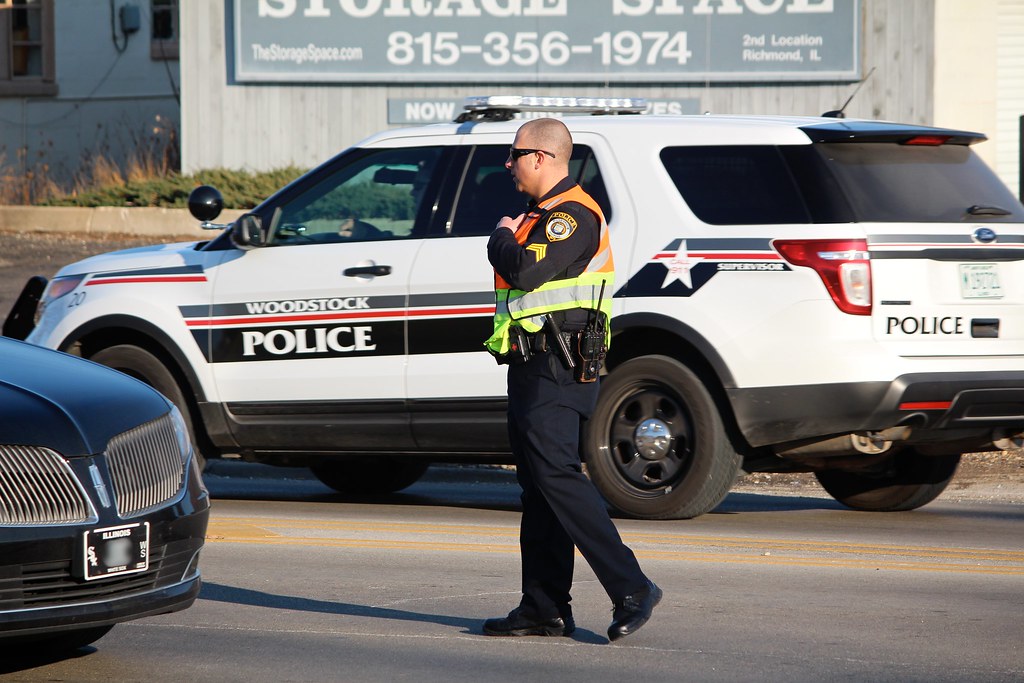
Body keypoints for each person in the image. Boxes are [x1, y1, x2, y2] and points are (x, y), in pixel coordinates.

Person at [482, 118, 661, 642]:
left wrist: (500, 236)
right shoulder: (541, 216)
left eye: (513, 154)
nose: (508, 163)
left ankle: (631, 587)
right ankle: (543, 606)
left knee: (557, 477)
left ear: (541, 157)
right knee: (538, 487)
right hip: (534, 364)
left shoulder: (571, 216)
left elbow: (524, 273)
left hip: (559, 368)